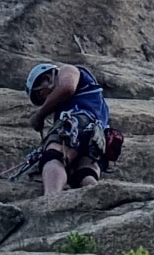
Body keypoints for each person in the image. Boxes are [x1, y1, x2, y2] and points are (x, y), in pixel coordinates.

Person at [25, 62, 111, 199]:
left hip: (77, 123)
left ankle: (51, 198)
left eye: (42, 95)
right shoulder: (92, 99)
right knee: (84, 172)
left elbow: (67, 87)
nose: (46, 101)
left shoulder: (67, 70)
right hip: (97, 135)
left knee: (54, 155)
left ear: (47, 79)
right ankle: (96, 199)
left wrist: (39, 115)